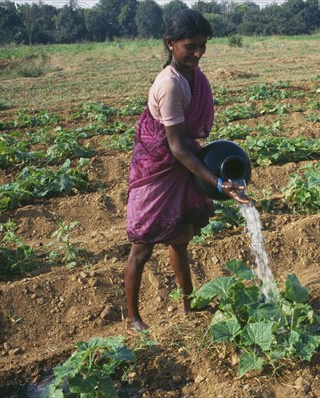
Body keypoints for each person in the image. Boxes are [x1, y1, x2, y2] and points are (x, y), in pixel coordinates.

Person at [124, 9, 250, 335]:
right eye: (190, 46)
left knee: (180, 240)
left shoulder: (195, 75)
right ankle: (132, 317)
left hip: (180, 164)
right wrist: (218, 182)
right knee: (142, 247)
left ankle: (188, 302)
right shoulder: (169, 85)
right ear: (171, 44)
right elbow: (178, 147)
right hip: (157, 170)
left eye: (202, 45)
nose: (198, 53)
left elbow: (189, 142)